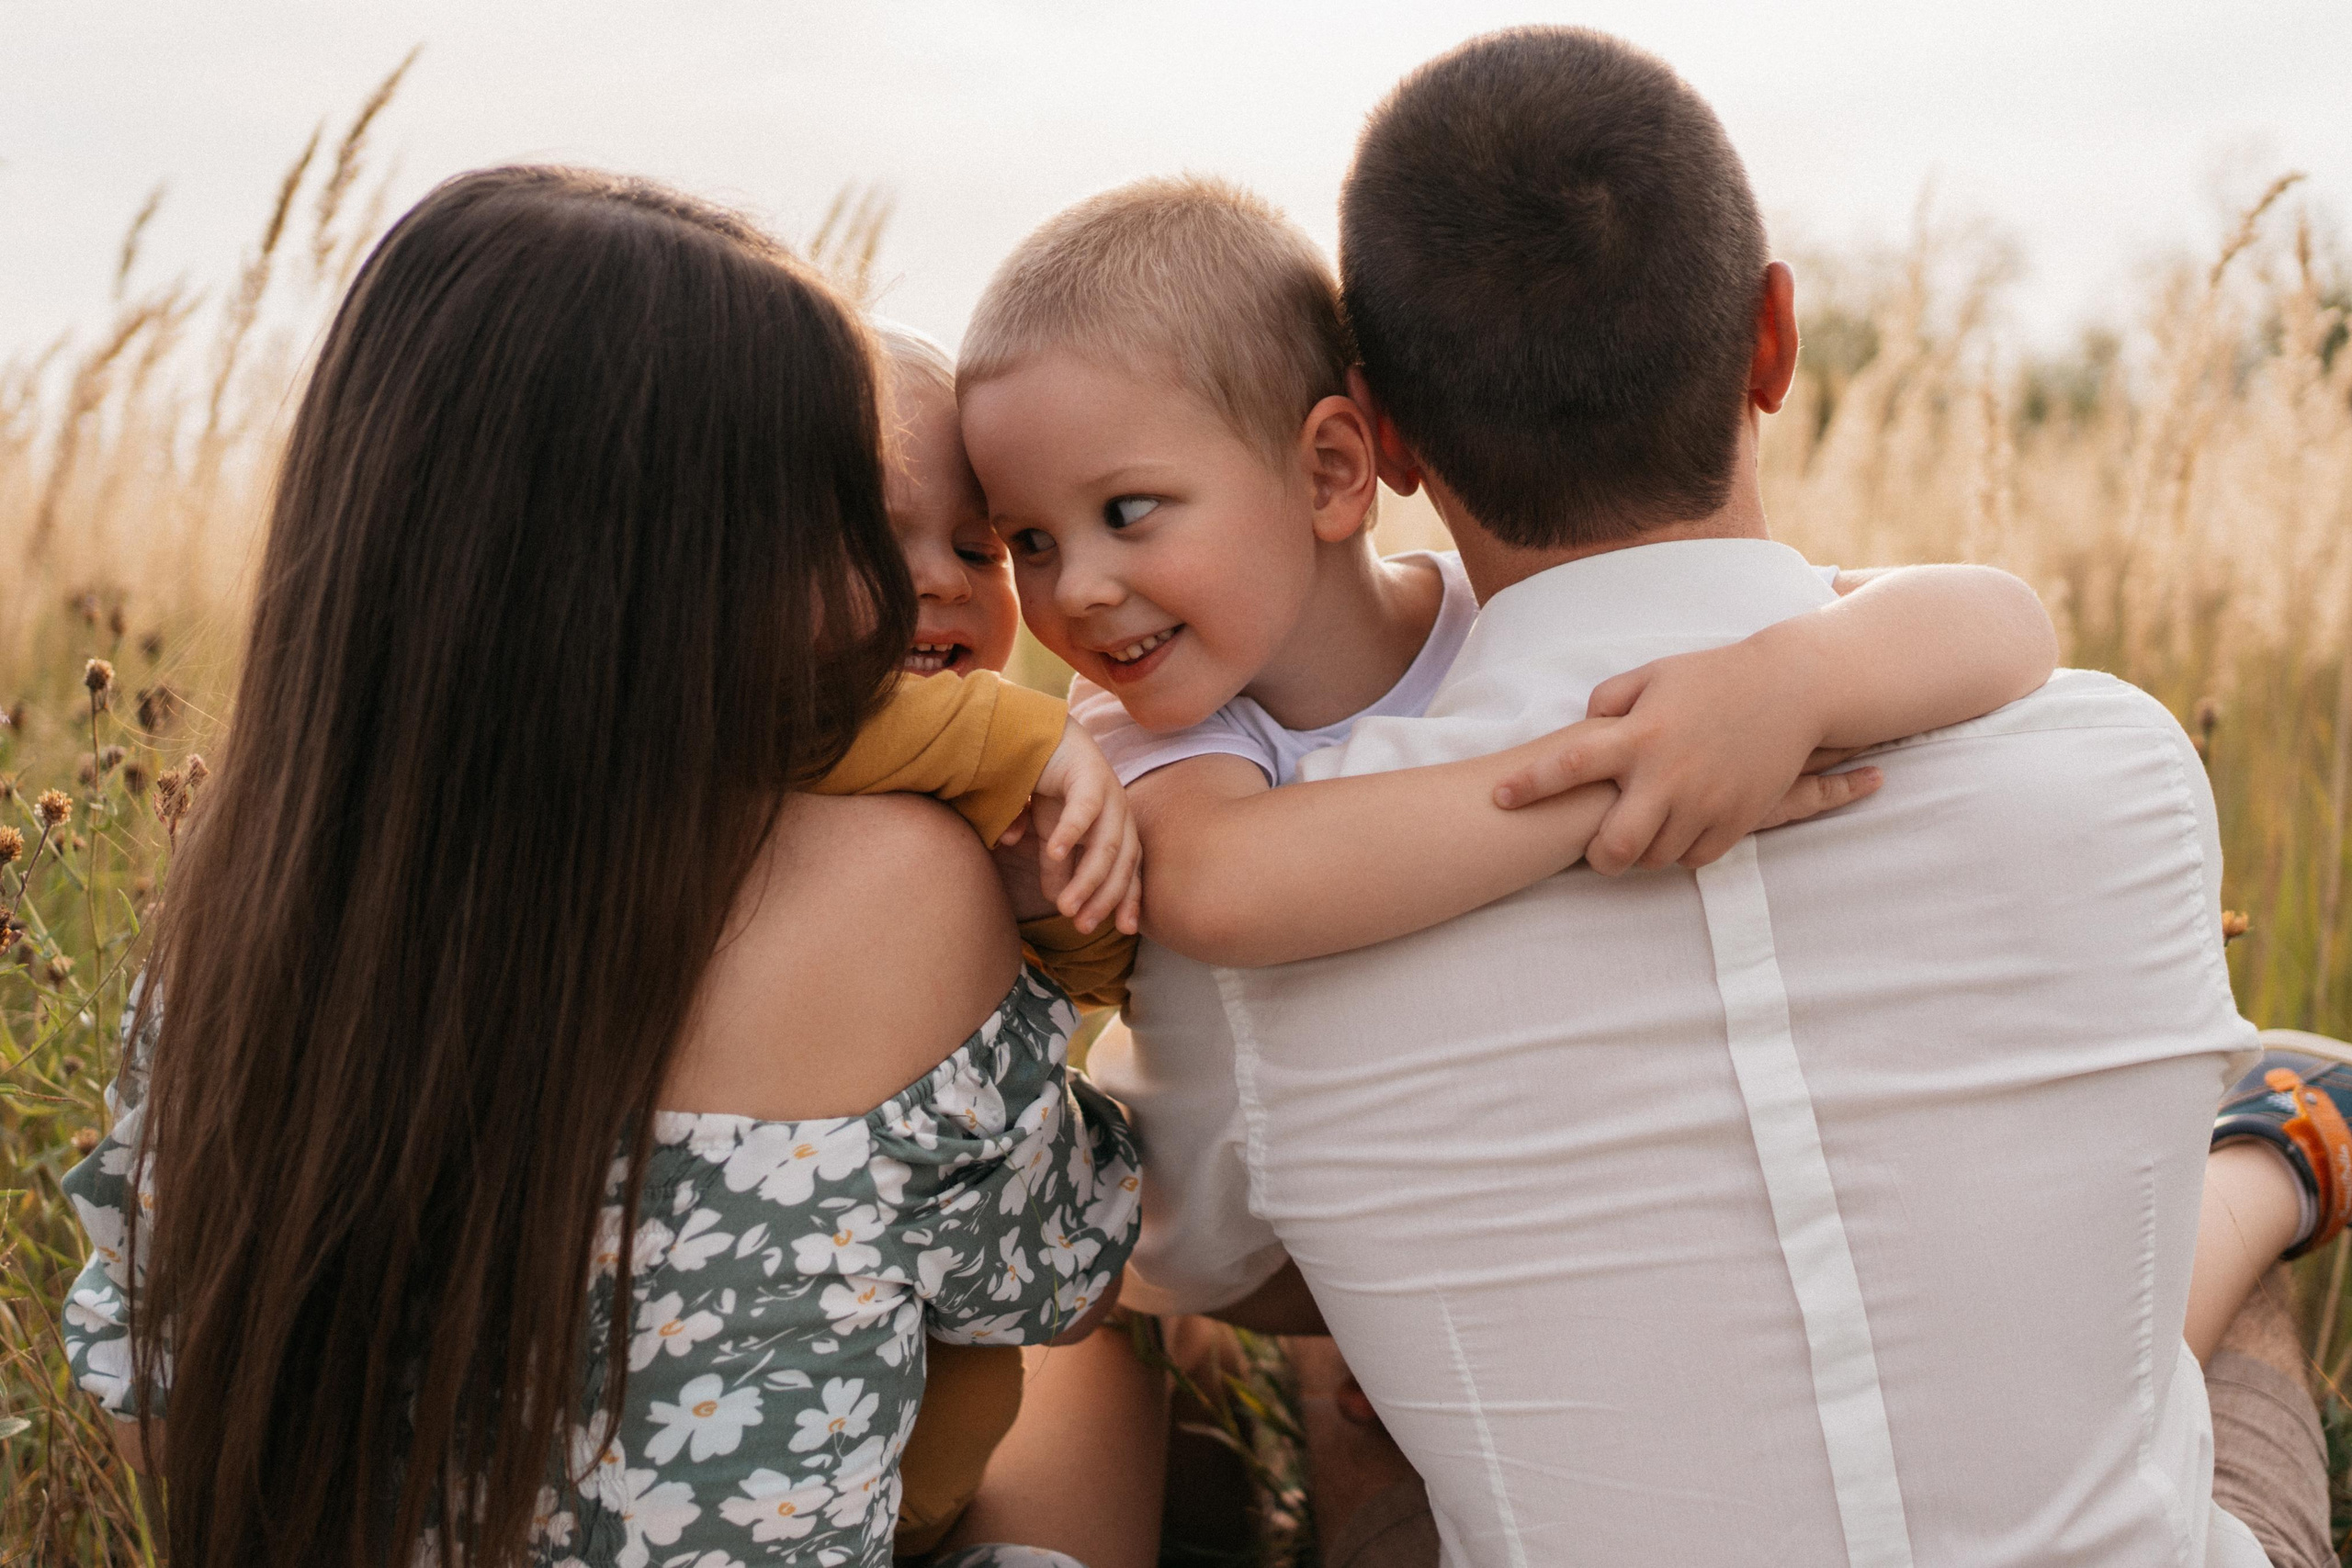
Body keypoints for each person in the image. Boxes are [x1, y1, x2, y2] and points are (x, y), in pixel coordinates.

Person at [1119, 28, 2325, 1566]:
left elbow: (1188, 1257)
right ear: (1774, 337)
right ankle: (2284, 1156)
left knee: (1364, 1333)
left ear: (1391, 440)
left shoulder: (1280, 901)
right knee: (2202, 1204)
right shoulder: (2125, 768)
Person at [57, 166, 1143, 1568]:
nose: (889, 595)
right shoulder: (894, 887)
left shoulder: (262, 899)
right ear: (692, 560)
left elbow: (150, 1387)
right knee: (1109, 1379)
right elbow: (1064, 1272)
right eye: (835, 518)